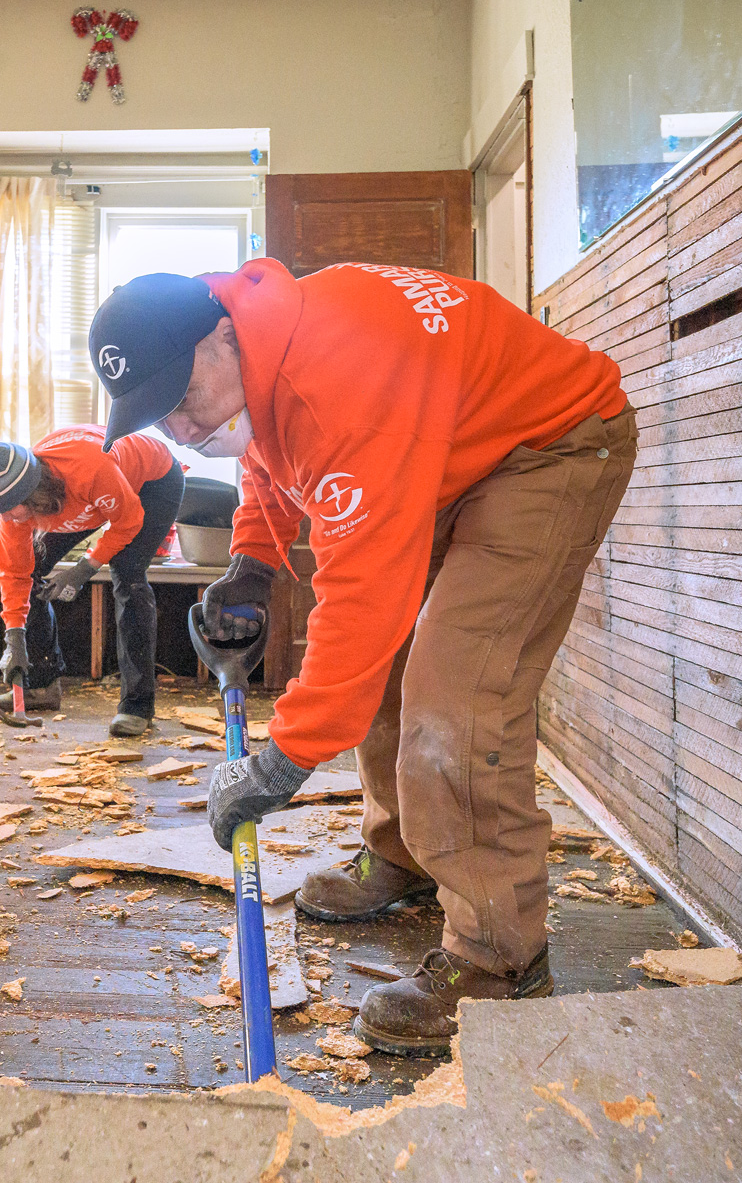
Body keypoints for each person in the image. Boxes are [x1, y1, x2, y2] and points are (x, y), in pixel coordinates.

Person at [90, 262, 635, 1056]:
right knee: (387, 663)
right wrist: (251, 562)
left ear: (220, 337)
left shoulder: (334, 378)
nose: (177, 429)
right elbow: (272, 455)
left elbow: (358, 599)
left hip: (551, 444)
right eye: (157, 414)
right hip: (458, 448)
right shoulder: (263, 351)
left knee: (459, 694)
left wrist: (282, 760)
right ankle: (406, 850)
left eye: (180, 399)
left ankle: (500, 958)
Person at [0, 426, 182, 737]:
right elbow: (15, 574)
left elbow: (128, 520)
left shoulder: (89, 468)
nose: (7, 520)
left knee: (127, 573)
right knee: (35, 567)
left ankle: (137, 706)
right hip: (86, 500)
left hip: (152, 481)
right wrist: (13, 638)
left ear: (31, 492)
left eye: (9, 510)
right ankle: (40, 685)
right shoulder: (12, 512)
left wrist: (85, 567)